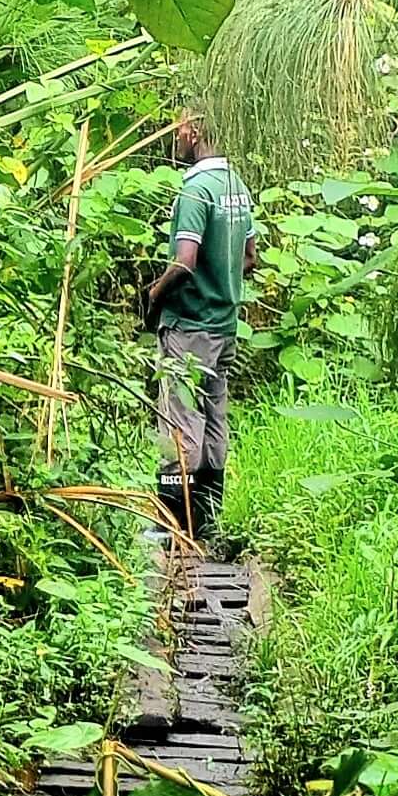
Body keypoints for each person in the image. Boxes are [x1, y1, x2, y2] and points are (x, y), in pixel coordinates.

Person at [144, 115, 257, 548]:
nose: (175, 139)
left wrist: (154, 295)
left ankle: (171, 528)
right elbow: (249, 256)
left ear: (193, 131)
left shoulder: (194, 190)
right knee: (214, 420)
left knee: (180, 421)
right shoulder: (236, 187)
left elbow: (184, 261)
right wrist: (222, 278)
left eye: (177, 130)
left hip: (189, 325)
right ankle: (207, 524)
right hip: (224, 323)